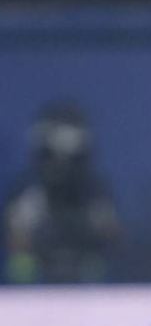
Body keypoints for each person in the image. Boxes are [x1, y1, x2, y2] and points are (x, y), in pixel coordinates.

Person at [3, 102, 121, 283]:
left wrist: (103, 233)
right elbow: (14, 253)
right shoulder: (26, 198)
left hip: (91, 295)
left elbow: (115, 248)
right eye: (51, 156)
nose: (60, 167)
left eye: (71, 158)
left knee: (97, 265)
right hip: (31, 295)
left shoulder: (96, 198)